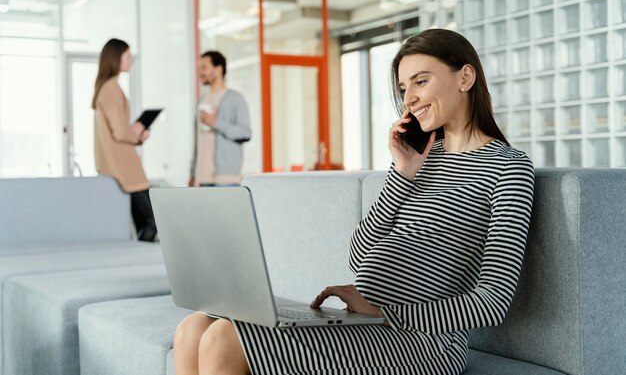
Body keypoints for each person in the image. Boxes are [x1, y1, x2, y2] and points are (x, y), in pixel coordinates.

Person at [172, 29, 535, 375]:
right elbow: (358, 255)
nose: (408, 98)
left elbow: (493, 300)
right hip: (366, 323)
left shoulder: (508, 168)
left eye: (421, 81)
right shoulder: (419, 158)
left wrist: (385, 312)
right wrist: (402, 173)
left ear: (465, 78)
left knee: (224, 338)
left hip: (423, 343)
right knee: (193, 327)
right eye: (404, 88)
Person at [92, 38, 157, 243]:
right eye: (128, 56)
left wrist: (136, 136)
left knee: (143, 223)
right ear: (116, 59)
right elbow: (120, 132)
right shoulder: (111, 88)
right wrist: (136, 135)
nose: (131, 61)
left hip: (121, 166)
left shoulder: (106, 87)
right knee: (152, 222)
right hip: (125, 168)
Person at [189, 51, 251, 187]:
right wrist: (193, 173)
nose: (200, 72)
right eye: (199, 68)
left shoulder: (235, 99)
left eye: (204, 67)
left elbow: (245, 133)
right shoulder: (202, 100)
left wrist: (216, 122)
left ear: (218, 69)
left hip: (225, 178)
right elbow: (197, 141)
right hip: (201, 178)